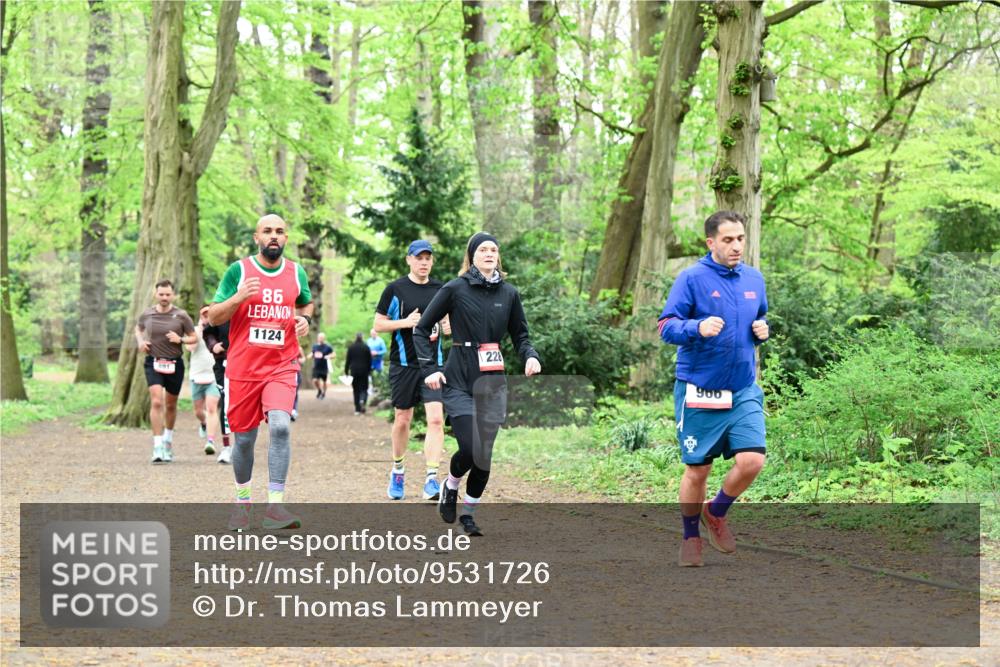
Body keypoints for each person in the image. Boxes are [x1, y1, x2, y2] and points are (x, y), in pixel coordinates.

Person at [657, 210, 769, 567]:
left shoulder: (754, 279)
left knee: (752, 461)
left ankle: (716, 512)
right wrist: (697, 327)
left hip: (742, 388)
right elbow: (665, 326)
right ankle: (690, 537)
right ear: (711, 242)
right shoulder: (691, 279)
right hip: (700, 389)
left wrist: (763, 330)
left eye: (740, 239)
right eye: (728, 240)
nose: (736, 246)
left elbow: (758, 317)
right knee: (698, 471)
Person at [415, 232, 541, 536]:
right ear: (472, 256)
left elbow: (520, 335)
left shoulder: (509, 293)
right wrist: (430, 368)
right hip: (459, 379)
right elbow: (422, 328)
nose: (489, 254)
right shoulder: (455, 288)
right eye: (483, 249)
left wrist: (530, 356)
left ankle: (468, 515)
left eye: (493, 249)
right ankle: (450, 485)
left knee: (484, 455)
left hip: (493, 382)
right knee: (471, 448)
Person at [208, 213, 314, 530]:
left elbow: (306, 303)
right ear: (257, 237)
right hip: (243, 369)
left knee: (280, 427)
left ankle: (275, 508)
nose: (274, 236)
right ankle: (242, 503)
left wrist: (304, 319)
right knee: (243, 441)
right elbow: (213, 317)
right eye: (267, 231)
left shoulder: (296, 272)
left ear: (286, 238)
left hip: (282, 364)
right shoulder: (238, 271)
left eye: (279, 231)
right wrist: (239, 297)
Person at [373, 240, 450, 502]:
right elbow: (379, 324)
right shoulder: (395, 289)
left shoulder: (441, 289)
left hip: (433, 366)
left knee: (436, 420)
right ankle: (398, 470)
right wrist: (406, 322)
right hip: (403, 365)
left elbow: (448, 324)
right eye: (419, 258)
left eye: (428, 258)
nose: (424, 262)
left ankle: (431, 478)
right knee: (403, 419)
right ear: (409, 260)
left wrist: (448, 325)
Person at [135, 280, 196, 464]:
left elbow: (194, 338)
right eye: (161, 294)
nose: (164, 297)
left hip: (174, 364)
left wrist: (181, 339)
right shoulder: (147, 313)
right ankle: (157, 446)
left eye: (168, 294)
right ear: (155, 294)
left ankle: (168, 441)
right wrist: (141, 341)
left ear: (173, 295)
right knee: (156, 401)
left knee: (170, 405)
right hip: (153, 362)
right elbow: (138, 328)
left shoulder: (181, 315)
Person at [187, 305, 221, 455]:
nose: (206, 317)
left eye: (209, 314)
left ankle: (210, 441)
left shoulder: (218, 330)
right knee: (198, 411)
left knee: (212, 408)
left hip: (213, 376)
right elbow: (190, 348)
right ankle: (203, 423)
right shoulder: (194, 331)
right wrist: (200, 331)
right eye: (204, 315)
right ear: (200, 316)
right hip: (196, 376)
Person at [202, 317, 233, 463]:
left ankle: (243, 444)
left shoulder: (253, 310)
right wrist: (213, 345)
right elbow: (208, 332)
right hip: (224, 364)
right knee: (227, 402)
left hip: (249, 364)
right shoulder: (223, 312)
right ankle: (227, 447)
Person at [345, 333, 372, 415]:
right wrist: (369, 371)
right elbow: (369, 360)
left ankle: (357, 409)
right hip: (364, 371)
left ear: (355, 338)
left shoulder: (351, 347)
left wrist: (346, 371)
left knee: (356, 390)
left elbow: (348, 360)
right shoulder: (366, 347)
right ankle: (363, 400)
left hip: (354, 371)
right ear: (362, 337)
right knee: (364, 388)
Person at [310, 332, 334, 399]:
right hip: (316, 366)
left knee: (324, 381)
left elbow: (333, 354)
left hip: (324, 367)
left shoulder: (328, 347)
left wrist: (328, 356)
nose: (320, 339)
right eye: (319, 337)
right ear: (317, 338)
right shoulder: (315, 346)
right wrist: (310, 355)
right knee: (315, 380)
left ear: (324, 338)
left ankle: (324, 393)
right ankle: (319, 390)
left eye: (322, 337)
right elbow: (312, 353)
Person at [292, 345, 305, 421]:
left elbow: (303, 358)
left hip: (296, 372)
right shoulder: (281, 345)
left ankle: (293, 410)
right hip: (283, 372)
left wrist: (300, 360)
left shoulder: (298, 348)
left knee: (295, 391)